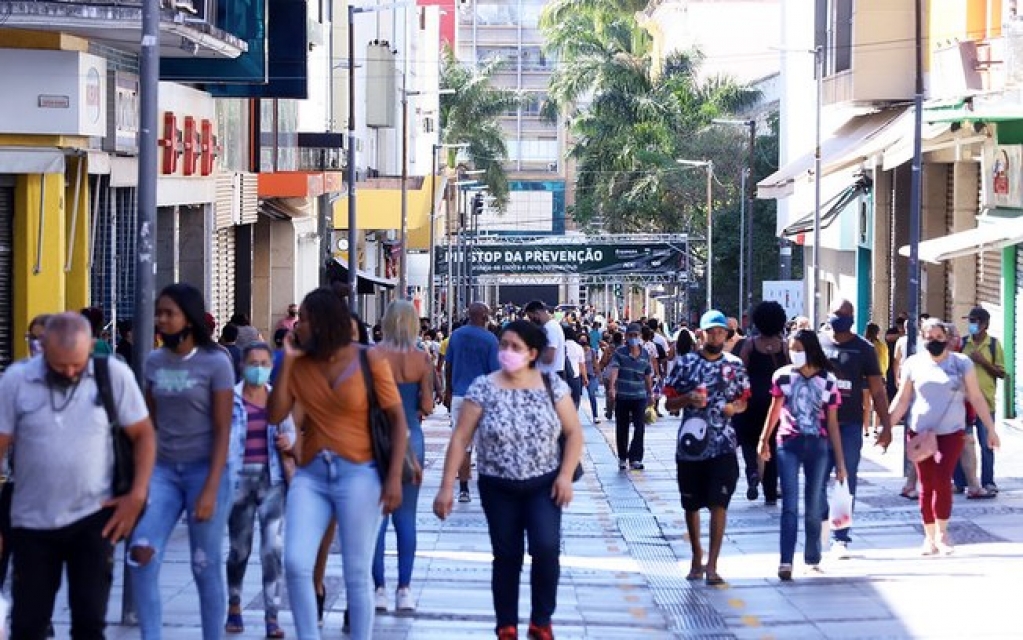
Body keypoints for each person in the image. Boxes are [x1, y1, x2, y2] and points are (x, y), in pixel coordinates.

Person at [0, 313, 155, 639]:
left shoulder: (112, 375)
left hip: (94, 517)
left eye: (76, 364)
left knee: (89, 622)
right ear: (43, 350)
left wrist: (137, 494)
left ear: (90, 349)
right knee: (27, 623)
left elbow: (143, 434)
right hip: (31, 521)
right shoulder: (17, 380)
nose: (70, 371)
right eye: (60, 366)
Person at [269, 284, 408, 640]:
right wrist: (287, 363)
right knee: (297, 563)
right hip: (311, 475)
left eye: (303, 319)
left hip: (360, 474)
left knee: (356, 572)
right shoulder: (299, 364)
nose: (295, 325)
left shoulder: (368, 359)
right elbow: (275, 414)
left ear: (323, 323)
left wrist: (393, 479)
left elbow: (397, 420)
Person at [433, 320, 583, 640]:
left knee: (545, 548)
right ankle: (507, 623)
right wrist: (447, 486)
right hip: (497, 485)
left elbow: (573, 433)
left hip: (543, 484)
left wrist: (566, 476)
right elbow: (460, 438)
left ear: (532, 353)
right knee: (507, 554)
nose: (507, 352)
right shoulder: (483, 387)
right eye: (503, 345)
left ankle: (541, 619)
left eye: (515, 347)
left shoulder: (551, 386)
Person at [129, 283, 237, 640]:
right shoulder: (154, 362)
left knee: (204, 565)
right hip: (162, 471)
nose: (160, 319)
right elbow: (149, 422)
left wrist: (210, 489)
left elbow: (223, 429)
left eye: (168, 313)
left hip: (206, 471)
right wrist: (141, 481)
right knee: (141, 553)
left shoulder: (216, 362)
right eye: (158, 312)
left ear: (189, 318)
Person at [888, 319, 1000, 555]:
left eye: (939, 338)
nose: (935, 342)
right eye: (929, 338)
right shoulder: (913, 363)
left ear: (947, 339)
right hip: (919, 433)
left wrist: (990, 429)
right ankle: (928, 537)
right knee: (926, 484)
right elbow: (902, 398)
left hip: (951, 433)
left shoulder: (961, 363)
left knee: (942, 479)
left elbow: (977, 397)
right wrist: (887, 427)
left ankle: (942, 532)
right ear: (922, 338)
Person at [664, 310, 750, 586]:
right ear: (701, 334)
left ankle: (712, 563)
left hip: (723, 444)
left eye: (720, 331)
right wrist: (688, 398)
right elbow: (668, 403)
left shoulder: (735, 365)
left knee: (718, 503)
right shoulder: (686, 364)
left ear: (727, 334)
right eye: (710, 331)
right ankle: (696, 556)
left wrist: (734, 407)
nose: (716, 336)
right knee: (691, 504)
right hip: (691, 446)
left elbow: (743, 400)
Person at [758, 330, 847, 580]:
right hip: (788, 443)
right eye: (791, 348)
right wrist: (763, 440)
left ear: (810, 349)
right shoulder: (783, 377)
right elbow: (774, 411)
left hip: (818, 446)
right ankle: (785, 560)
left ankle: (812, 555)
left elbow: (832, 424)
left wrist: (840, 462)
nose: (793, 353)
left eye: (798, 348)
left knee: (813, 504)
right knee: (789, 504)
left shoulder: (828, 380)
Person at [225, 342, 297, 638]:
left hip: (272, 481)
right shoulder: (229, 400)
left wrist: (288, 442)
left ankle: (272, 615)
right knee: (239, 550)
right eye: (253, 362)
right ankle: (234, 605)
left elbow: (291, 431)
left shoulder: (277, 400)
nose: (258, 368)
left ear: (271, 366)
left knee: (272, 550)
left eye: (264, 363)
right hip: (239, 481)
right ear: (242, 365)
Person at [372, 301, 434, 613]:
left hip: (377, 441)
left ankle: (379, 589)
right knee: (406, 517)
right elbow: (427, 405)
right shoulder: (422, 358)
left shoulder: (373, 355)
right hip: (412, 439)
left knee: (376, 519)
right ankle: (404, 590)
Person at [817, 299, 893, 558]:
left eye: (847, 314)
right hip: (818, 424)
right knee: (816, 481)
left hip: (848, 424)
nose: (842, 318)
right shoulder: (817, 344)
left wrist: (886, 424)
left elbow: (877, 389)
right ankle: (823, 526)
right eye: (838, 314)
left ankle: (840, 536)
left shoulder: (864, 349)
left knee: (845, 478)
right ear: (829, 315)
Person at [733, 301, 789, 506]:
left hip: (751, 399)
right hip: (776, 399)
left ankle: (753, 473)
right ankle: (771, 490)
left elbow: (740, 370)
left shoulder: (750, 344)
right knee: (773, 442)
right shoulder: (784, 346)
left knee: (748, 440)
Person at [444, 302, 500, 504]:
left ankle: (464, 489)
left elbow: (448, 364)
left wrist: (448, 390)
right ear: (484, 317)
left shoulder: (456, 336)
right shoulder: (490, 339)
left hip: (460, 397)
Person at [958, 307, 1004, 495]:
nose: (972, 325)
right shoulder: (962, 344)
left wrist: (983, 361)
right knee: (961, 444)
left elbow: (1002, 373)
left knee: (987, 444)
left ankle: (988, 482)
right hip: (964, 405)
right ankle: (960, 482)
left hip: (986, 404)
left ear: (985, 325)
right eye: (970, 321)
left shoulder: (994, 345)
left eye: (975, 321)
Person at [607, 323, 654, 471]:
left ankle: (636, 458)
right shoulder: (620, 353)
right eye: (631, 335)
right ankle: (622, 457)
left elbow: (647, 375)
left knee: (639, 427)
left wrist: (650, 393)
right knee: (622, 427)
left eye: (636, 336)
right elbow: (615, 369)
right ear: (626, 337)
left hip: (639, 396)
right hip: (623, 396)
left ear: (640, 337)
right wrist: (612, 388)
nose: (634, 338)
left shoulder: (645, 354)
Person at [524, 301, 566, 379]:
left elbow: (549, 357)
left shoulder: (550, 329)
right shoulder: (551, 326)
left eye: (531, 317)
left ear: (537, 313)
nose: (531, 321)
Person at [862, 323, 888, 437]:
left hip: (864, 377)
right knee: (877, 403)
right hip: (878, 377)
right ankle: (876, 429)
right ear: (877, 332)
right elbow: (885, 363)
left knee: (866, 405)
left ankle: (865, 429)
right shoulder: (881, 346)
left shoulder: (862, 345)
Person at [579, 331, 602, 424]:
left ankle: (595, 415)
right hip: (580, 375)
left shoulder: (592, 351)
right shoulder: (577, 350)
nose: (583, 342)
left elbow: (595, 362)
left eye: (584, 340)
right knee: (577, 396)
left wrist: (598, 373)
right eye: (581, 340)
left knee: (592, 395)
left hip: (591, 375)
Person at [563, 326, 586, 409]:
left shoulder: (561, 346)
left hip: (562, 376)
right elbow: (582, 364)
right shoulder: (578, 347)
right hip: (575, 376)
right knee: (575, 400)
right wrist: (585, 378)